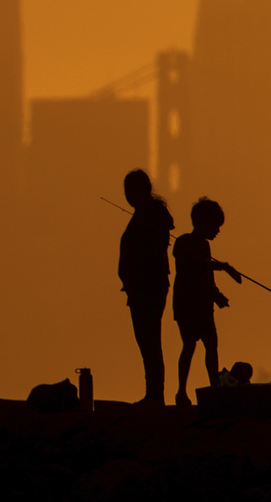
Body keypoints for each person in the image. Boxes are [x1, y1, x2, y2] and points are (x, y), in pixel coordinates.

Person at [172, 197, 241, 407]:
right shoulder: (183, 242)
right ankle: (181, 392)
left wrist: (216, 294)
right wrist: (223, 267)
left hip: (203, 304)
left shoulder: (204, 246)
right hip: (187, 304)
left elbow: (206, 277)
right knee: (190, 345)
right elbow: (195, 265)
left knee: (211, 345)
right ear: (202, 221)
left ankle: (214, 388)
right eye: (215, 225)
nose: (217, 231)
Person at [118, 169, 174, 405]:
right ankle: (153, 392)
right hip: (140, 288)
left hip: (149, 288)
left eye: (132, 190)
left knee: (150, 341)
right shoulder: (145, 213)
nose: (128, 195)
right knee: (147, 341)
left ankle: (155, 394)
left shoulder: (153, 214)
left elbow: (157, 246)